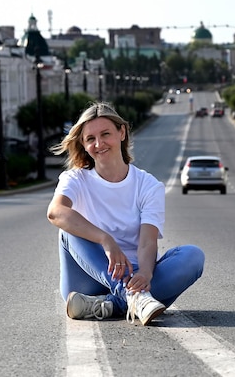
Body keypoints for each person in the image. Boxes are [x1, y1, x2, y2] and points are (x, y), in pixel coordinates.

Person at [46, 102, 204, 326]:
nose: (99, 143)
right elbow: (55, 212)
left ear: (122, 132)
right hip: (87, 278)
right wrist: (105, 240)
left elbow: (147, 242)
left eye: (105, 134)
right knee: (68, 229)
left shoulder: (148, 185)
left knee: (193, 256)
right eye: (90, 138)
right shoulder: (75, 179)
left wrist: (147, 274)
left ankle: (111, 304)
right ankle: (133, 297)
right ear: (83, 143)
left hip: (135, 275)